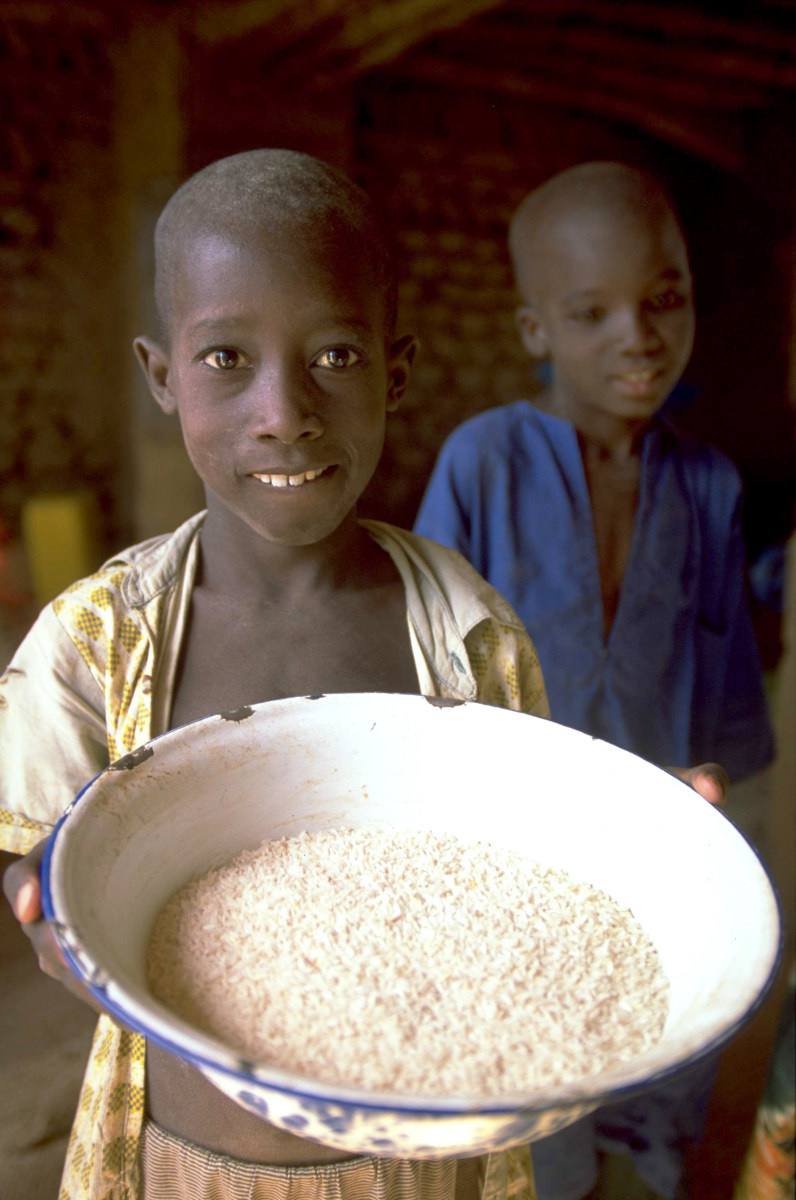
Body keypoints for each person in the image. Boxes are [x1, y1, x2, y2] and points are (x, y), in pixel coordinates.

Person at [0, 150, 726, 1200]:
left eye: (335, 355)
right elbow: (27, 843)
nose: (283, 409)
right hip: (187, 1161)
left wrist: (639, 841)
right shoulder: (98, 638)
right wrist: (37, 902)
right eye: (225, 360)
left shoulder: (467, 631)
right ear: (161, 375)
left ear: (394, 368)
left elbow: (522, 864)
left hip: (424, 1173)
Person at [414, 162, 775, 1199]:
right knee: (536, 1059)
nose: (638, 336)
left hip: (659, 827)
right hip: (516, 839)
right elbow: (430, 661)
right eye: (592, 312)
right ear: (536, 331)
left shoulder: (705, 481)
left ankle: (642, 1166)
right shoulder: (484, 460)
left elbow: (724, 659)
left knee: (659, 1043)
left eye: (663, 301)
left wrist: (721, 791)